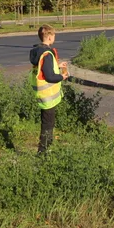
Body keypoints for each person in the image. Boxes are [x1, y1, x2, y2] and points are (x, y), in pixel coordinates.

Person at [29, 24, 68, 153]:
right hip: (48, 96)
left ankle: (47, 147)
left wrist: (57, 64)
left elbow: (44, 67)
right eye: (54, 35)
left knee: (47, 122)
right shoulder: (47, 53)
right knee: (47, 124)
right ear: (50, 37)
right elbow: (50, 76)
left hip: (42, 94)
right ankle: (43, 151)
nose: (54, 37)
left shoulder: (38, 51)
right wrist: (62, 77)